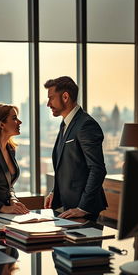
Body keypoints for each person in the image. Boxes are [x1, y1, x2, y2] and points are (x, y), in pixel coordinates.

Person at [44, 76, 108, 221]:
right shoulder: (66, 124)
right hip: (70, 208)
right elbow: (69, 165)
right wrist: (55, 192)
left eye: (51, 98)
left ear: (65, 96)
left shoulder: (86, 125)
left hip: (84, 210)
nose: (48, 104)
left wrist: (83, 208)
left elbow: (97, 169)